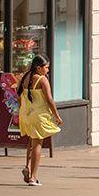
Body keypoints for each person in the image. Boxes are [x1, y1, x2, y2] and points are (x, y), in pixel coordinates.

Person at [17, 55, 62, 186]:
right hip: (39, 115)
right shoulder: (42, 80)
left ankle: (27, 167)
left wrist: (22, 109)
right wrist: (57, 115)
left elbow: (18, 95)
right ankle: (33, 177)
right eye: (46, 67)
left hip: (26, 114)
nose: (48, 70)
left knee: (30, 142)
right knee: (37, 144)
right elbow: (49, 100)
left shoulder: (25, 76)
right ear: (39, 68)